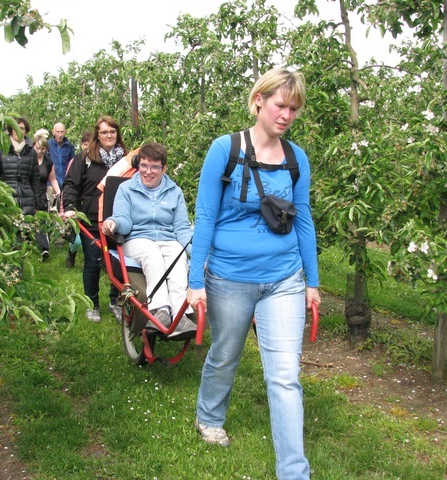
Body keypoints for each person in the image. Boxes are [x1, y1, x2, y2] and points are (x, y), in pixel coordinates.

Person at [186, 68, 321, 479]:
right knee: (225, 353)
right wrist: (195, 282)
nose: (286, 114)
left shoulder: (296, 159)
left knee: (285, 376)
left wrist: (311, 282)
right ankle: (209, 416)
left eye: (293, 108)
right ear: (259, 100)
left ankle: (294, 472)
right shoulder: (224, 150)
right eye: (280, 104)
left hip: (283, 277)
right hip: (229, 276)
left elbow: (304, 221)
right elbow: (206, 216)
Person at [101, 142, 197, 341]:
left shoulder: (174, 192)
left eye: (154, 167)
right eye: (144, 165)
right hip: (137, 239)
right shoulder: (126, 189)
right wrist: (113, 222)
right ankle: (159, 309)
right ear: (139, 165)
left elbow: (181, 228)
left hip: (168, 239)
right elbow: (124, 221)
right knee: (152, 253)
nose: (148, 172)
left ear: (164, 169)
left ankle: (180, 316)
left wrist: (195, 251)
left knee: (177, 256)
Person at [62, 116, 126, 323]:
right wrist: (71, 208)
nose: (109, 135)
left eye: (112, 132)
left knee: (118, 262)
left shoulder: (125, 159)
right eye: (104, 132)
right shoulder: (85, 158)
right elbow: (71, 184)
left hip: (117, 218)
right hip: (91, 219)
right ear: (97, 135)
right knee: (92, 261)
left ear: (117, 134)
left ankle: (116, 301)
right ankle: (93, 304)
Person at [0, 117, 48, 259]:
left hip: (26, 199)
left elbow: (35, 179)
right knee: (7, 237)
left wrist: (38, 202)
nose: (18, 130)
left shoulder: (31, 152)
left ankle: (18, 272)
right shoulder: (1, 150)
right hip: (7, 199)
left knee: (22, 239)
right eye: (16, 127)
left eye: (22, 128)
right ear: (10, 129)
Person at [65, 131, 93, 269]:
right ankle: (71, 252)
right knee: (77, 239)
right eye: (86, 144)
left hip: (91, 206)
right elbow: (70, 184)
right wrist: (67, 207)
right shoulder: (77, 160)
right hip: (79, 207)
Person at [49, 122, 76, 190]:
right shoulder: (48, 145)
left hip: (66, 183)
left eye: (62, 132)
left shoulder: (70, 146)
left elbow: (72, 165)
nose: (60, 135)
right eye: (58, 132)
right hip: (51, 184)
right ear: (53, 132)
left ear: (65, 132)